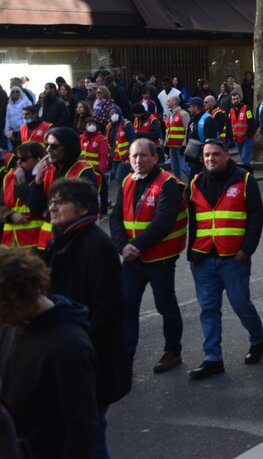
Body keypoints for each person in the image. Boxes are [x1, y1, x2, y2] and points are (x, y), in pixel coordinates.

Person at [42, 178, 131, 458]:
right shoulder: (60, 239)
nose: (53, 206)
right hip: (67, 353)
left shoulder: (96, 245)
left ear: (82, 209)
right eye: (52, 200)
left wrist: (80, 345)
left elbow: (108, 308)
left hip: (89, 358)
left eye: (61, 201)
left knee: (91, 437)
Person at [0, 249, 99, 459]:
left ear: (22, 299)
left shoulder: (69, 344)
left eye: (3, 312)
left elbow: (82, 425)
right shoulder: (12, 324)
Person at [186, 139, 263, 380]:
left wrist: (247, 249)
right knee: (208, 309)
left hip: (234, 257)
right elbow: (195, 221)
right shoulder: (196, 182)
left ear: (227, 156)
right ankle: (212, 358)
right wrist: (192, 253)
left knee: (240, 304)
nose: (211, 159)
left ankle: (258, 338)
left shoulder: (244, 180)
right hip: (203, 258)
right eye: (207, 155)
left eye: (216, 154)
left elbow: (256, 217)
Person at [109, 139, 187, 375]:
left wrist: (136, 247)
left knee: (165, 305)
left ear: (155, 158)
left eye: (143, 156)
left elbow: (163, 221)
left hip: (159, 259)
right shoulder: (127, 181)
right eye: (134, 156)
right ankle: (125, 357)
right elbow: (115, 217)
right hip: (132, 259)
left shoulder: (168, 184)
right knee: (127, 307)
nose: (138, 160)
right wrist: (122, 246)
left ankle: (172, 351)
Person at [21, 127, 101, 250]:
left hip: (75, 242)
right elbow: (35, 209)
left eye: (54, 146)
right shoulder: (47, 170)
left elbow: (84, 211)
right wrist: (38, 181)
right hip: (48, 241)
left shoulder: (84, 172)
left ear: (68, 147)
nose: (48, 150)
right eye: (46, 145)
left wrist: (47, 212)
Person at [0, 142, 45, 249]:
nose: (19, 162)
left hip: (34, 240)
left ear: (38, 160)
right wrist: (9, 215)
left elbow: (37, 205)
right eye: (17, 158)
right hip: (10, 241)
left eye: (24, 159)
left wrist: (21, 183)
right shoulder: (8, 177)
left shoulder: (44, 178)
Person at [164, 94, 189, 180]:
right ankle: (179, 186)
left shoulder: (183, 114)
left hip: (180, 146)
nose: (166, 103)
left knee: (184, 168)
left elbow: (187, 130)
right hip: (172, 146)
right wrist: (165, 144)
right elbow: (168, 130)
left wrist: (184, 144)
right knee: (175, 169)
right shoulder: (169, 115)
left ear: (174, 102)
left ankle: (195, 183)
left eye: (168, 101)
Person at [228, 92, 256, 167]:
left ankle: (246, 174)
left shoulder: (247, 109)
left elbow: (251, 122)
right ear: (231, 101)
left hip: (247, 138)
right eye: (234, 99)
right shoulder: (231, 111)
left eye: (237, 99)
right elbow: (230, 124)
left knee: (244, 158)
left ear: (240, 99)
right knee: (243, 157)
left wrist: (248, 134)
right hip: (237, 139)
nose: (236, 100)